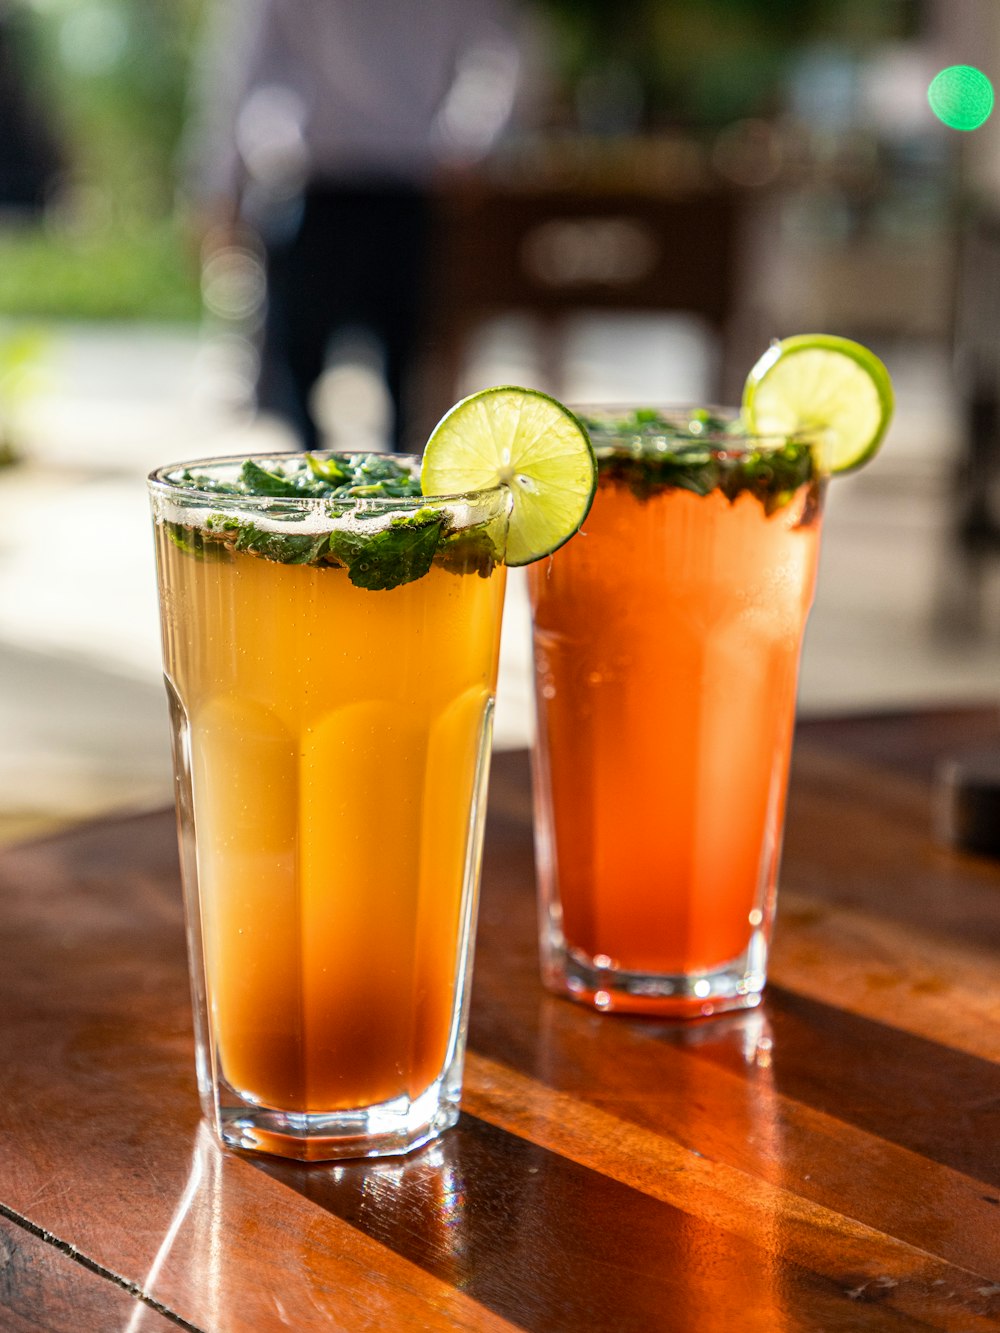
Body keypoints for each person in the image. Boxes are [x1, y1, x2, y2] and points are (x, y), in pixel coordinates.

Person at [184, 0, 527, 451]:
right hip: (331, 185)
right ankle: (327, 500)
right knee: (328, 376)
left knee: (400, 378)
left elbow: (242, 79)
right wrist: (470, 144)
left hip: (391, 187)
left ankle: (380, 501)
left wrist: (217, 191)